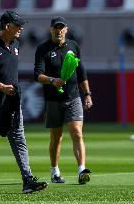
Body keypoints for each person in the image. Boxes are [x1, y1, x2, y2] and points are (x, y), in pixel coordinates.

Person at [0, 10, 48, 194]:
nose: (21, 28)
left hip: (12, 103)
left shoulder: (16, 45)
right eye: (18, 25)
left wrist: (10, 92)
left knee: (20, 140)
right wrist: (1, 87)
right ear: (7, 26)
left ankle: (27, 180)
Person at [34, 16, 92, 184]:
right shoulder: (43, 49)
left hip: (73, 97)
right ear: (51, 29)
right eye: (55, 27)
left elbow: (81, 72)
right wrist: (52, 80)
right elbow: (37, 75)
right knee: (56, 137)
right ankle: (55, 171)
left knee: (77, 132)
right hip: (53, 99)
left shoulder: (73, 46)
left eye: (61, 27)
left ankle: (82, 170)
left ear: (66, 29)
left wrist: (87, 94)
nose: (58, 30)